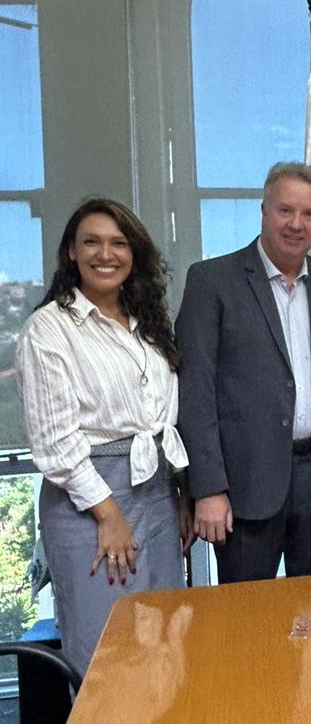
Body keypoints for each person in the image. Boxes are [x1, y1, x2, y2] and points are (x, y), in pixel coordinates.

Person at [16, 198, 188, 676]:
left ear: (133, 253)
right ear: (71, 251)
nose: (105, 254)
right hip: (89, 503)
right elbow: (56, 443)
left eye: (118, 243)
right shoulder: (48, 329)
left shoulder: (147, 324)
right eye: (91, 242)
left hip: (155, 493)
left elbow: (160, 422)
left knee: (164, 643)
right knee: (106, 654)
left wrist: (180, 493)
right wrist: (108, 515)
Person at [176, 162, 311, 581]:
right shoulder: (212, 281)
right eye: (285, 210)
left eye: (309, 213)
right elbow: (194, 391)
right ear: (263, 210)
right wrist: (207, 487)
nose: (296, 224)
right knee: (244, 623)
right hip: (243, 487)